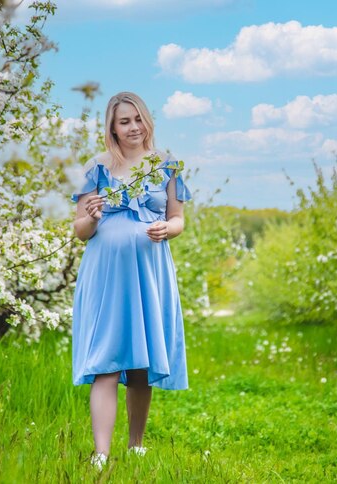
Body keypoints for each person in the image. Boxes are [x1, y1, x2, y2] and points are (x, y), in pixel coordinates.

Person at [70, 91, 192, 470]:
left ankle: (136, 445)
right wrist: (91, 216)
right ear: (113, 127)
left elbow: (178, 219)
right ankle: (101, 455)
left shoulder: (166, 165)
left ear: (147, 120)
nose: (133, 127)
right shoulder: (97, 168)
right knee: (105, 359)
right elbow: (80, 230)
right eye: (124, 121)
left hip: (148, 273)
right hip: (106, 275)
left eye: (138, 118)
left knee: (141, 363)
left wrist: (166, 229)